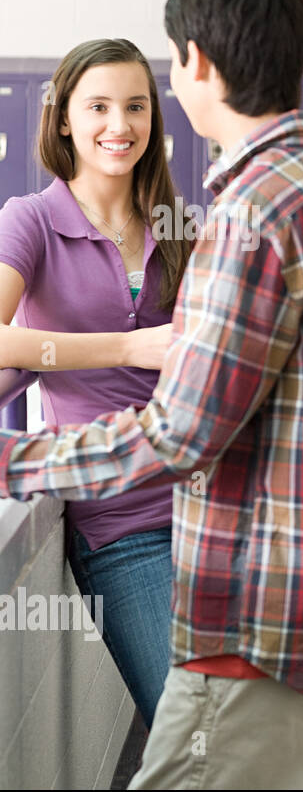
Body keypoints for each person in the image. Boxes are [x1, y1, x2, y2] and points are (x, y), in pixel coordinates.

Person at [0, 0, 303, 789]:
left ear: (198, 65)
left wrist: (15, 460)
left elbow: (182, 429)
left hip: (263, 617)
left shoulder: (248, 211)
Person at [0, 38, 190, 728]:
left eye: (136, 106)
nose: (120, 125)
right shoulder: (32, 219)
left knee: (243, 733)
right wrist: (129, 345)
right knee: (190, 733)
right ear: (63, 120)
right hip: (121, 518)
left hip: (214, 505)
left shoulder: (177, 225)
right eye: (99, 106)